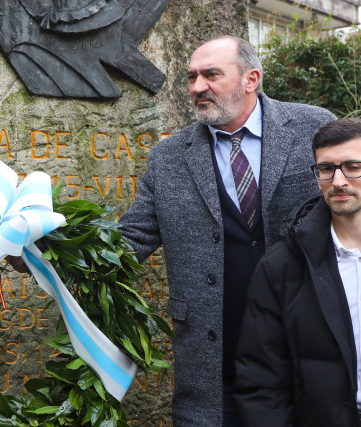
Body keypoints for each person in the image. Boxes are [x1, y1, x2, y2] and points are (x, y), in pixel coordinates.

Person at [116, 36, 335, 426]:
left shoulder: (313, 127)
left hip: (304, 352)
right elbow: (130, 239)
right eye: (192, 77)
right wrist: (42, 253)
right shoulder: (169, 157)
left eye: (211, 75)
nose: (197, 87)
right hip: (212, 362)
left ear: (251, 79)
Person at [233, 118, 361, 427]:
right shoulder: (284, 265)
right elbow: (262, 380)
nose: (339, 181)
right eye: (327, 169)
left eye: (353, 166)